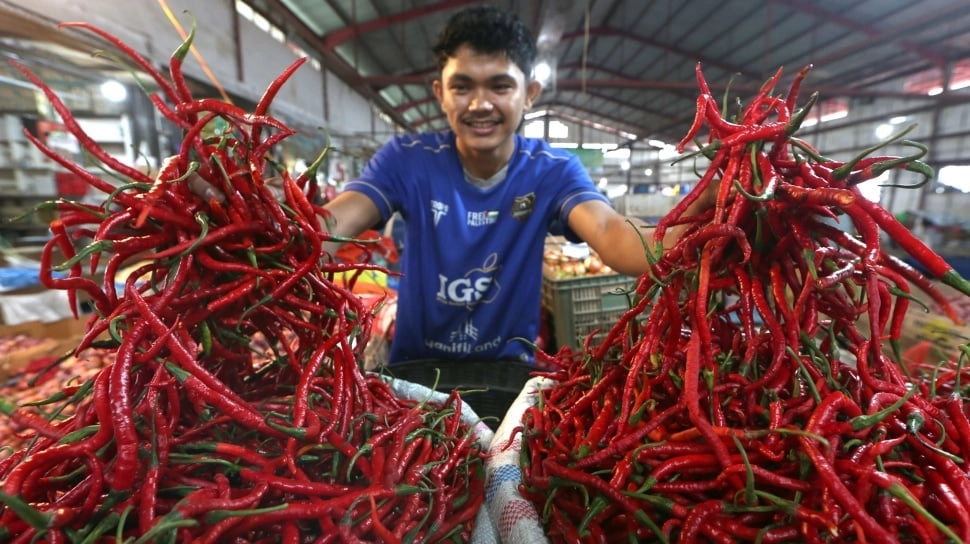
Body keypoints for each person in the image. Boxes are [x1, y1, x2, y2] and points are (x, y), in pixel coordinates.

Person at [320, 5, 715, 365]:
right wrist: (280, 221)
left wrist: (698, 226)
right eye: (462, 87)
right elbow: (333, 223)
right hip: (416, 373)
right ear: (440, 94)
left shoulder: (552, 171)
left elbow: (611, 233)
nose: (480, 104)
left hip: (507, 376)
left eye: (500, 86)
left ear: (529, 94)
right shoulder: (407, 159)